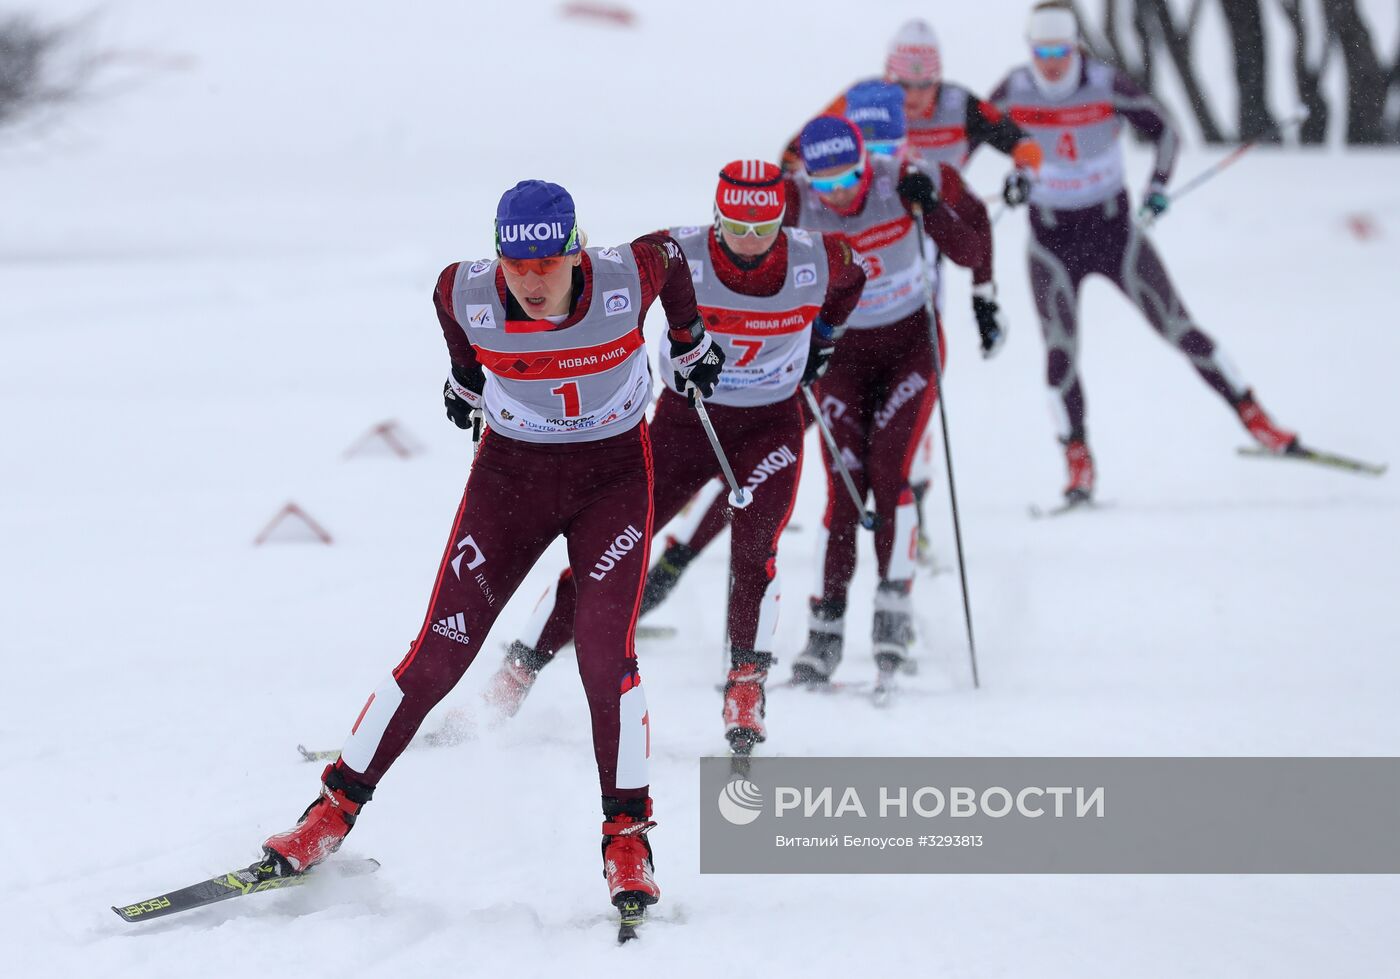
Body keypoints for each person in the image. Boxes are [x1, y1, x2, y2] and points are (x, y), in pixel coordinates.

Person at [257, 180, 724, 924]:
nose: (532, 281)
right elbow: (446, 302)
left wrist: (692, 338)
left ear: (576, 251)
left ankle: (627, 836)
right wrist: (464, 372)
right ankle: (329, 814)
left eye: (548, 263)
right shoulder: (468, 289)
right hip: (513, 477)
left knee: (605, 653)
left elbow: (669, 255)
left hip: (612, 478)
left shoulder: (622, 276)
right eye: (517, 265)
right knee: (440, 651)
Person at [485, 160, 866, 754]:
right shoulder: (677, 251)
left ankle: (745, 685)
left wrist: (825, 342)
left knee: (755, 546)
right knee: (610, 555)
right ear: (715, 217)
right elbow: (604, 282)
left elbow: (854, 278)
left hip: (772, 426)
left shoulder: (820, 257)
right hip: (684, 427)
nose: (745, 243)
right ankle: (517, 673)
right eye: (733, 227)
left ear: (782, 223)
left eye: (760, 230)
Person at [987, 1, 1299, 503]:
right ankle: (1078, 461)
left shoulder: (1105, 84)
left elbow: (1167, 131)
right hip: (1051, 242)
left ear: (1075, 48)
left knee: (1179, 327)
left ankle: (1255, 416)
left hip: (1114, 233)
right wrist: (1007, 182)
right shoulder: (1012, 91)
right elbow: (971, 138)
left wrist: (1157, 188)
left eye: (1060, 50)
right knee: (1060, 352)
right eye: (1041, 50)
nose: (1051, 61)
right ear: (1030, 49)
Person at [787, 111, 994, 685]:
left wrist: (932, 207)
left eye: (848, 178)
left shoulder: (903, 177)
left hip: (910, 346)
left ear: (866, 164)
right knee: (845, 484)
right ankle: (825, 628)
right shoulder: (794, 200)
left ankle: (893, 612)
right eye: (824, 184)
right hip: (841, 356)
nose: (839, 194)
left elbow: (971, 249)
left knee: (888, 470)